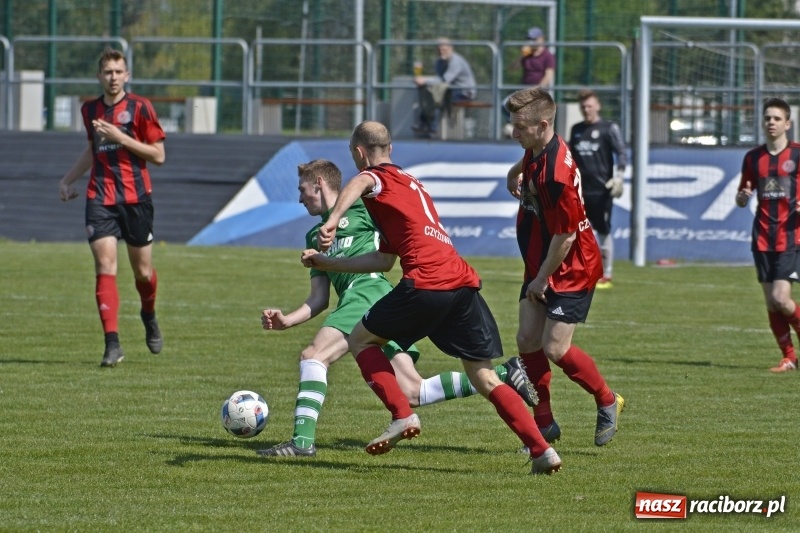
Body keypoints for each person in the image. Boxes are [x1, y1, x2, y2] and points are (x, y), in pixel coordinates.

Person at [302, 121, 562, 475]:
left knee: (361, 340)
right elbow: (384, 260)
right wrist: (327, 262)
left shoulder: (378, 178)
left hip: (427, 282)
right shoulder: (413, 188)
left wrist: (332, 221)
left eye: (355, 157)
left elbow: (365, 180)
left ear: (360, 153)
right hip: (461, 281)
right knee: (483, 377)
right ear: (390, 147)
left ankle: (401, 415)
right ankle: (541, 450)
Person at [258, 159, 537, 457]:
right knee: (412, 391)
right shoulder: (314, 237)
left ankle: (301, 443)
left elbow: (386, 210)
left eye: (303, 190)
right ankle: (504, 376)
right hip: (370, 304)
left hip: (368, 294)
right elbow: (319, 299)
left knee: (314, 355)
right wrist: (287, 320)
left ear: (319, 183)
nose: (300, 198)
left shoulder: (363, 208)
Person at [505, 87, 624, 447]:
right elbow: (526, 159)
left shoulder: (556, 174)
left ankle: (607, 400)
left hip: (571, 266)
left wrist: (542, 278)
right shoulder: (538, 146)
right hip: (542, 258)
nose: (514, 133)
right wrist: (514, 173)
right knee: (527, 340)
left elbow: (567, 236)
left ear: (543, 125)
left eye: (520, 127)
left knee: (555, 349)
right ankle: (544, 422)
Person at [58, 47, 165, 367]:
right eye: (108, 72)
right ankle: (112, 344)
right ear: (99, 76)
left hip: (136, 200)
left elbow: (158, 156)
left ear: (127, 75)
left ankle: (148, 314)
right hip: (100, 197)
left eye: (119, 71)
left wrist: (121, 136)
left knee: (143, 272)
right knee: (105, 265)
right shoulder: (89, 109)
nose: (113, 77)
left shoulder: (140, 108)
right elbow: (93, 150)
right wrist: (67, 179)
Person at [736, 97, 800, 373]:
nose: (771, 122)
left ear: (788, 123)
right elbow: (741, 198)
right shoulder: (753, 158)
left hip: (791, 235)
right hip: (762, 236)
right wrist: (742, 197)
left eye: (776, 118)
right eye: (767, 118)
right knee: (771, 302)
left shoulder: (797, 155)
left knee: (781, 299)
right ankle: (789, 357)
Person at [568, 89, 627, 289]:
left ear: (598, 106)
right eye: (583, 106)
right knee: (577, 232)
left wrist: (619, 177)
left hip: (602, 191)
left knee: (602, 230)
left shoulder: (608, 128)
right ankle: (581, 271)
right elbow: (570, 159)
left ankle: (606, 273)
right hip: (579, 191)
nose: (586, 109)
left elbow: (621, 153)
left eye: (590, 105)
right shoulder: (576, 129)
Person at [411, 37, 477, 138]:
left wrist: (425, 80)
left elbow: (445, 80)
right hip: (450, 90)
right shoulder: (439, 62)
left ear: (451, 48)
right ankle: (426, 124)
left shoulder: (456, 61)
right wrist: (423, 79)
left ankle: (431, 126)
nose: (442, 52)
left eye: (444, 50)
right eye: (439, 50)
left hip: (465, 92)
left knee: (439, 98)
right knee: (430, 94)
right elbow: (438, 78)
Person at [502, 27, 556, 137]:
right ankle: (517, 125)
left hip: (540, 92)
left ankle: (526, 129)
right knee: (505, 104)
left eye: (534, 39)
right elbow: (512, 68)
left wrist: (536, 90)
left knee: (534, 110)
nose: (531, 42)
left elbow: (548, 76)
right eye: (529, 39)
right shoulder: (527, 55)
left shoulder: (548, 56)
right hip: (524, 91)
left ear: (541, 39)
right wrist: (521, 56)